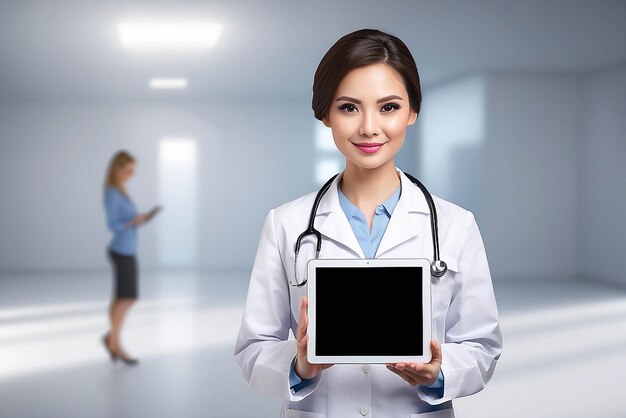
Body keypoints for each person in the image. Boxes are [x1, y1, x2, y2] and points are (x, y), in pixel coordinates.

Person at [234, 29, 502, 417]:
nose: (369, 127)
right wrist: (300, 366)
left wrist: (438, 373)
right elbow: (253, 347)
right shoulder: (286, 224)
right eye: (349, 107)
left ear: (413, 111)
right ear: (324, 113)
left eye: (389, 107)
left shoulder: (455, 225)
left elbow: (483, 347)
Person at [101, 150, 150, 365]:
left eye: (133, 171)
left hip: (128, 249)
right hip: (121, 250)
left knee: (122, 297)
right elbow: (113, 225)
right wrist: (134, 221)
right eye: (128, 171)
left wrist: (138, 220)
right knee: (127, 297)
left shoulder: (121, 191)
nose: (131, 175)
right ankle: (115, 343)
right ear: (117, 169)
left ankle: (111, 339)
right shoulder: (112, 193)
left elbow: (125, 220)